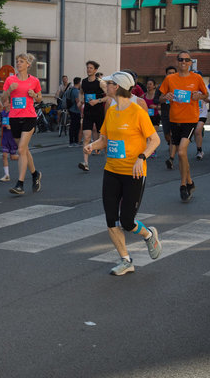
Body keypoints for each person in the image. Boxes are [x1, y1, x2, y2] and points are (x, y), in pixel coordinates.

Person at [84, 71, 161, 276]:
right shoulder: (111, 110)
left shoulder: (137, 112)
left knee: (127, 221)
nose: (105, 86)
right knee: (111, 219)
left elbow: (154, 140)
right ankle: (126, 260)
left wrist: (141, 157)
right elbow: (104, 139)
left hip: (134, 173)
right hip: (112, 171)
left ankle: (148, 235)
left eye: (108, 83)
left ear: (116, 87)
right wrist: (93, 145)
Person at [158, 50, 208, 202]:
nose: (184, 62)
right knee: (182, 154)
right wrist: (165, 97)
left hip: (190, 119)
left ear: (191, 62)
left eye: (187, 60)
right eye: (181, 60)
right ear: (177, 61)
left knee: (180, 152)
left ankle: (182, 185)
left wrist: (199, 96)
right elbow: (160, 98)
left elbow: (205, 95)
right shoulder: (170, 79)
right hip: (175, 119)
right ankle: (190, 181)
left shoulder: (197, 78)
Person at [1, 53, 43, 194]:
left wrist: (34, 95)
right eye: (17, 61)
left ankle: (20, 184)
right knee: (24, 149)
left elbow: (39, 99)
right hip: (14, 118)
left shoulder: (34, 81)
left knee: (20, 150)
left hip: (29, 117)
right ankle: (35, 174)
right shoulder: (10, 80)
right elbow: (3, 99)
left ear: (28, 65)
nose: (18, 64)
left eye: (21, 61)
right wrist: (9, 90)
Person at [78, 61, 107, 172]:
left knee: (103, 139)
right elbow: (81, 92)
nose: (89, 69)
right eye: (87, 68)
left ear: (95, 70)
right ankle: (85, 163)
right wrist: (80, 101)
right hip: (88, 113)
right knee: (86, 137)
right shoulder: (84, 82)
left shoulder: (101, 83)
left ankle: (108, 162)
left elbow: (109, 96)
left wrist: (97, 101)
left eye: (91, 68)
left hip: (99, 113)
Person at [157, 65, 178, 168]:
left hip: (177, 114)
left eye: (173, 73)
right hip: (166, 114)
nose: (171, 75)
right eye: (169, 73)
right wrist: (165, 97)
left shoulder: (179, 84)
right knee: (167, 135)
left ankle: (171, 158)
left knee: (174, 136)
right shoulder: (163, 86)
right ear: (166, 74)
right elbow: (158, 99)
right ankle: (172, 144)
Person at [0, 102, 19, 182]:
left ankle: (24, 159)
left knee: (13, 157)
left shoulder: (14, 112)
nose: (3, 102)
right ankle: (6, 175)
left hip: (12, 137)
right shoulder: (2, 112)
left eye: (5, 101)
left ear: (10, 103)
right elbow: (2, 122)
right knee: (4, 155)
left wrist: (11, 127)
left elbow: (17, 124)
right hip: (5, 137)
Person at [193, 75, 210, 161]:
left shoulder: (205, 87)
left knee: (197, 131)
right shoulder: (191, 87)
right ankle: (198, 148)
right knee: (195, 132)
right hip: (192, 113)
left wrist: (201, 96)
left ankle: (199, 151)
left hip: (202, 113)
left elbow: (209, 100)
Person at [65, 77, 82, 147]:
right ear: (79, 83)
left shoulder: (70, 90)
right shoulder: (76, 91)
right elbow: (78, 102)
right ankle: (74, 142)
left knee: (72, 126)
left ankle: (72, 141)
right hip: (76, 111)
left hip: (70, 109)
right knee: (75, 127)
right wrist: (82, 111)